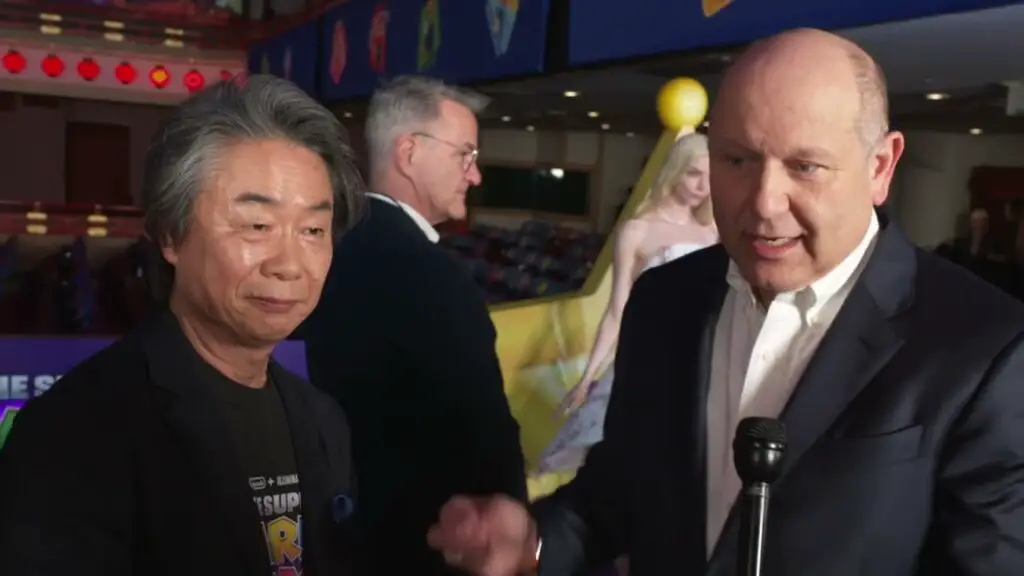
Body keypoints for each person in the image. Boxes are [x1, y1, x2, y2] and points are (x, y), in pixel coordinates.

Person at [427, 29, 1024, 576]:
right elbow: (621, 490)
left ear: (880, 166)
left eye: (805, 166)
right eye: (737, 160)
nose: (763, 202)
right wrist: (532, 542)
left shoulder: (984, 348)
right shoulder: (666, 301)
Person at [0, 75, 364, 575]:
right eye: (257, 226)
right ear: (171, 234)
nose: (290, 264)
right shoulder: (76, 433)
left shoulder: (323, 421)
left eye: (313, 230)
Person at [302, 76, 527, 576]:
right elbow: (485, 430)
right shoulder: (432, 276)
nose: (476, 175)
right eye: (465, 154)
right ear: (409, 152)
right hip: (429, 544)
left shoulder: (321, 244)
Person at [537, 132, 717, 475]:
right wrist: (588, 376)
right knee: (620, 450)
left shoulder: (711, 233)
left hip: (700, 354)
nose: (702, 186)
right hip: (648, 351)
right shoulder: (637, 230)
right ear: (675, 168)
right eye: (694, 173)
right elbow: (618, 307)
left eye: (710, 177)